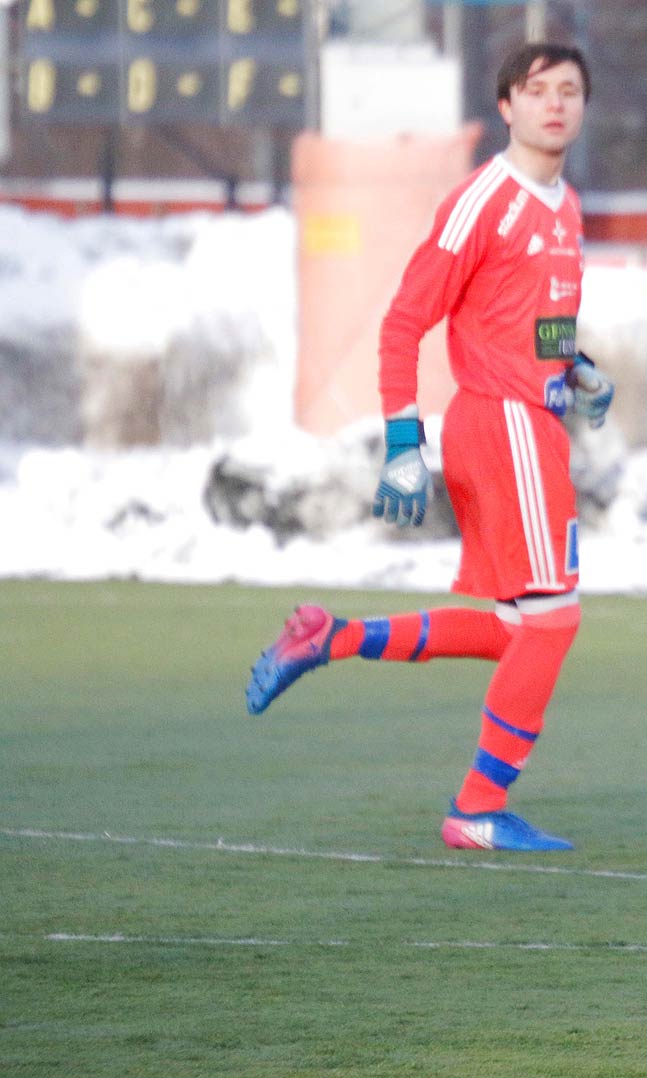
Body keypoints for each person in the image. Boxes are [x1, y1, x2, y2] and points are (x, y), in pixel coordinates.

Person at [245, 43, 614, 853]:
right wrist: (403, 439)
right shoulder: (483, 200)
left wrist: (577, 367)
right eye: (538, 90)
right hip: (503, 422)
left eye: (571, 91)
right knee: (554, 623)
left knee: (522, 628)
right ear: (507, 107)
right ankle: (477, 806)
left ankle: (329, 635)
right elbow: (406, 320)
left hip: (537, 423)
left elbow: (534, 318)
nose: (556, 104)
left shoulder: (566, 205)